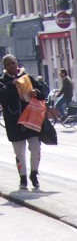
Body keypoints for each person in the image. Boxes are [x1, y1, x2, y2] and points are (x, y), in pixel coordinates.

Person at [0, 53, 47, 190]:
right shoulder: (3, 81)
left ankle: (34, 173)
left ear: (17, 63)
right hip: (14, 122)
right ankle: (23, 178)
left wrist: (36, 92)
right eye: (8, 64)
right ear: (4, 67)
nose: (11, 66)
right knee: (19, 152)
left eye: (13, 63)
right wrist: (11, 85)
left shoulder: (26, 77)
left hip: (31, 119)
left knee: (36, 148)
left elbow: (42, 91)